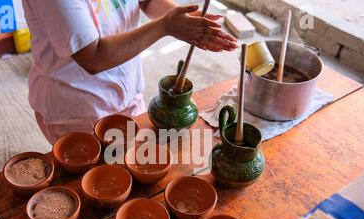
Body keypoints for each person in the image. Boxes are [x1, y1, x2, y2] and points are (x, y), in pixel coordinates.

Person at [22, 0, 237, 144]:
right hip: (77, 111)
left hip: (127, 94)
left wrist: (183, 21)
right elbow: (93, 56)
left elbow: (147, 1)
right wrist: (166, 26)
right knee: (99, 187)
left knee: (135, 164)